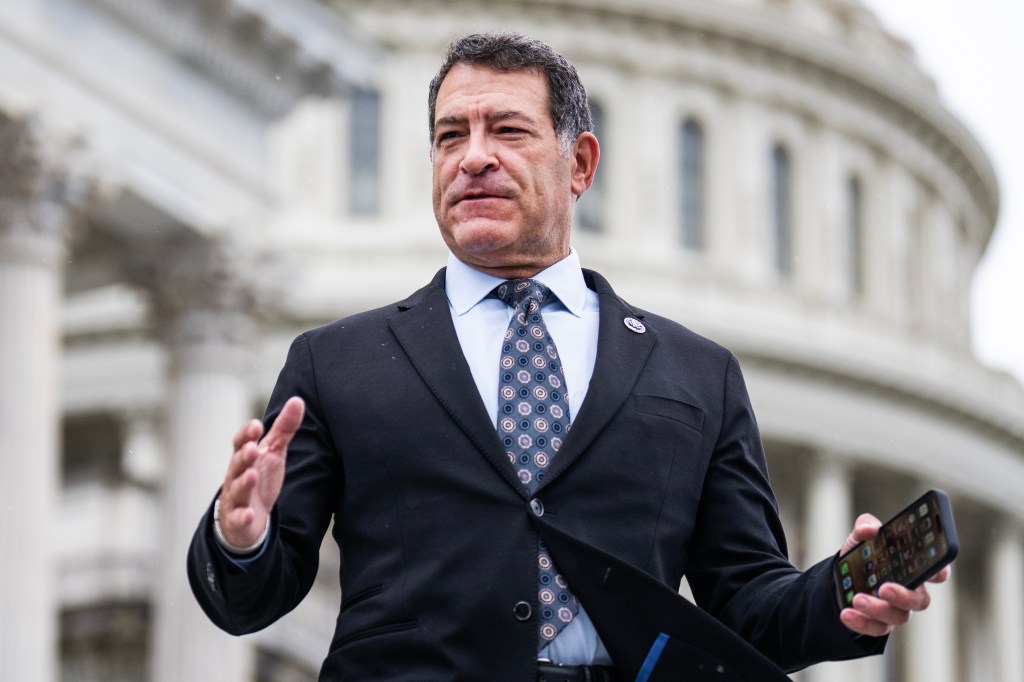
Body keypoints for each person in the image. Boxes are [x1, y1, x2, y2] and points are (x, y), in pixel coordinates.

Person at [188, 32, 948, 681]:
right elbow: (249, 598)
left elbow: (748, 604)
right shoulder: (337, 362)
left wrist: (847, 596)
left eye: (508, 132)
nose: (473, 158)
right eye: (451, 136)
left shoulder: (695, 375)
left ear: (580, 164)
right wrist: (243, 538)